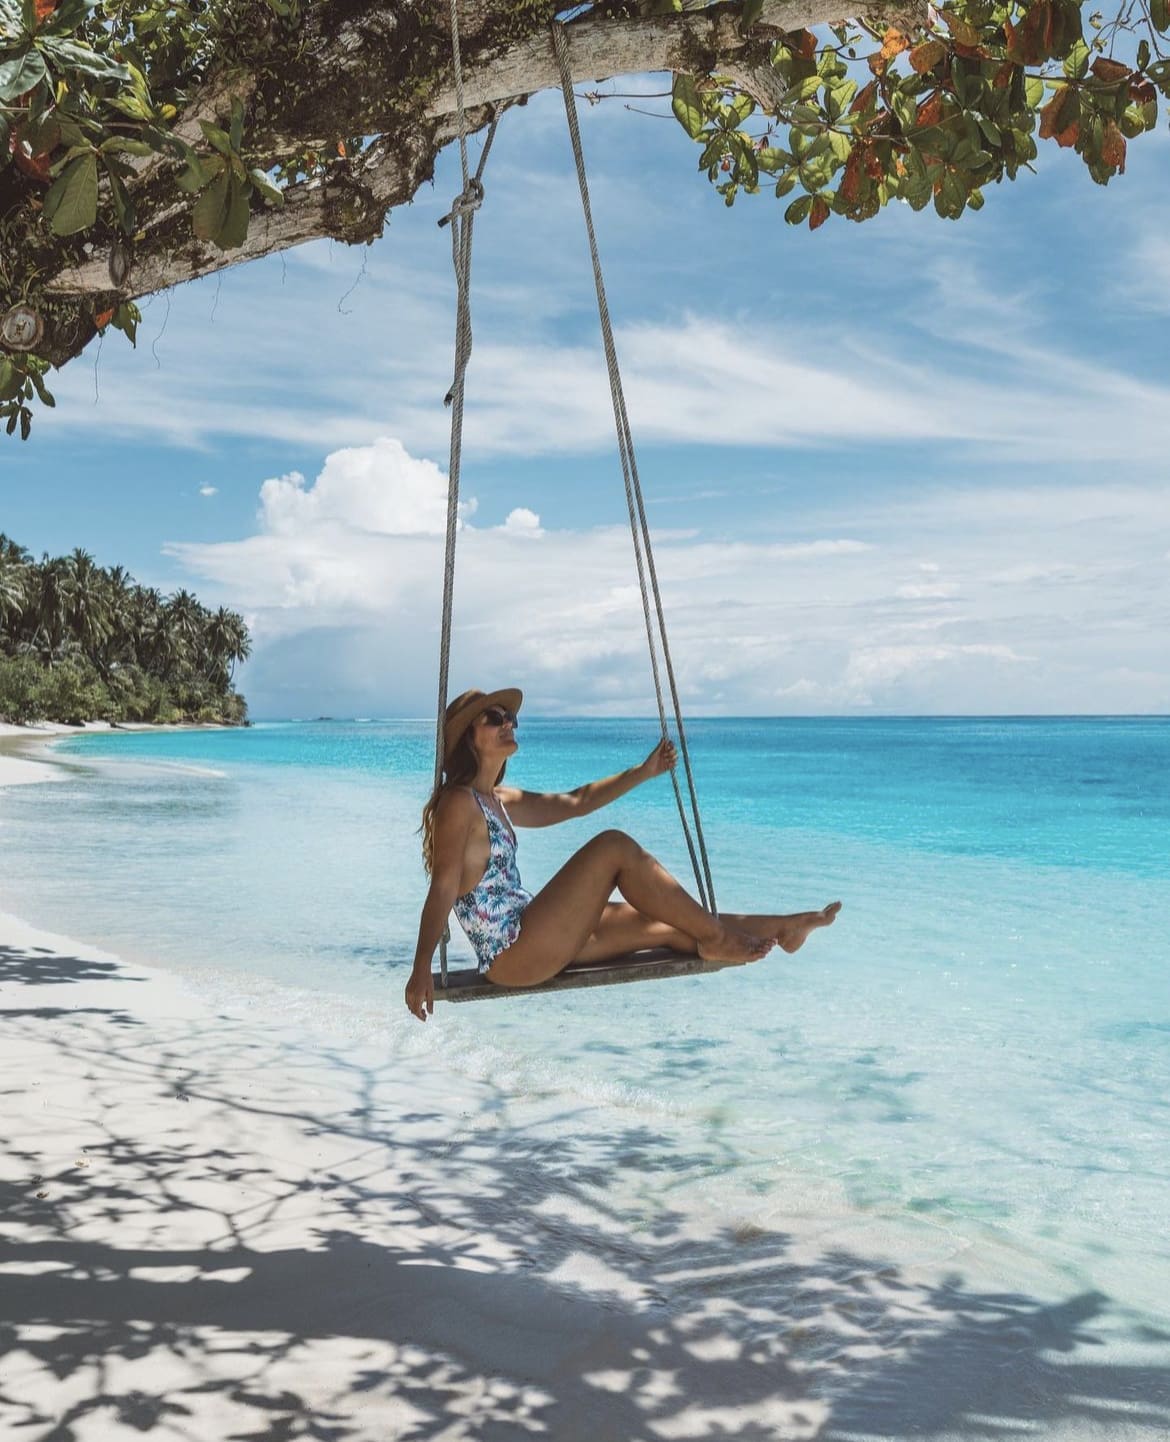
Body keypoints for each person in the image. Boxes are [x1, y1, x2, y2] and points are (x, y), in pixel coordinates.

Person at [406, 687, 840, 1022]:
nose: (509, 724)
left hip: (535, 934)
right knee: (613, 847)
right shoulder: (458, 803)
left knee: (666, 924)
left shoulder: (499, 799)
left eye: (512, 717)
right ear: (468, 738)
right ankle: (721, 937)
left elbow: (576, 802)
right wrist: (421, 966)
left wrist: (644, 771)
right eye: (495, 718)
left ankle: (785, 927)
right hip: (511, 951)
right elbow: (443, 884)